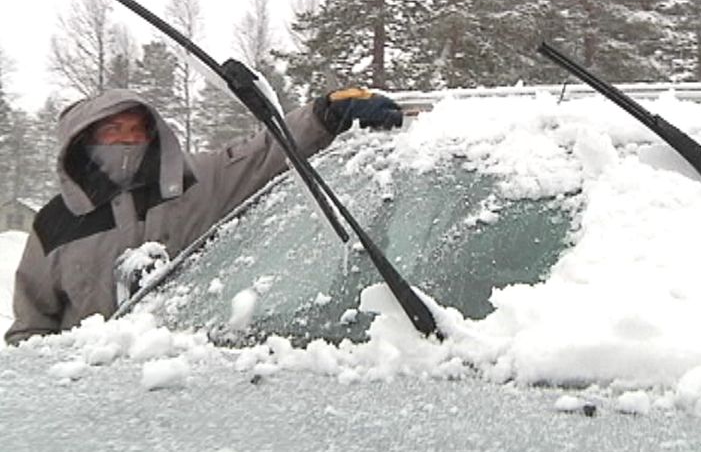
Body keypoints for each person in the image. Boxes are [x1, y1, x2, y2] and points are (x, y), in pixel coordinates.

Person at [4, 85, 403, 345]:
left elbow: (263, 154)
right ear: (85, 139)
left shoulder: (197, 181)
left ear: (153, 132)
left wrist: (324, 115)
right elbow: (31, 328)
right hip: (92, 396)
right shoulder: (56, 222)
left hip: (193, 381)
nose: (127, 138)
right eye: (112, 130)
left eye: (136, 128)